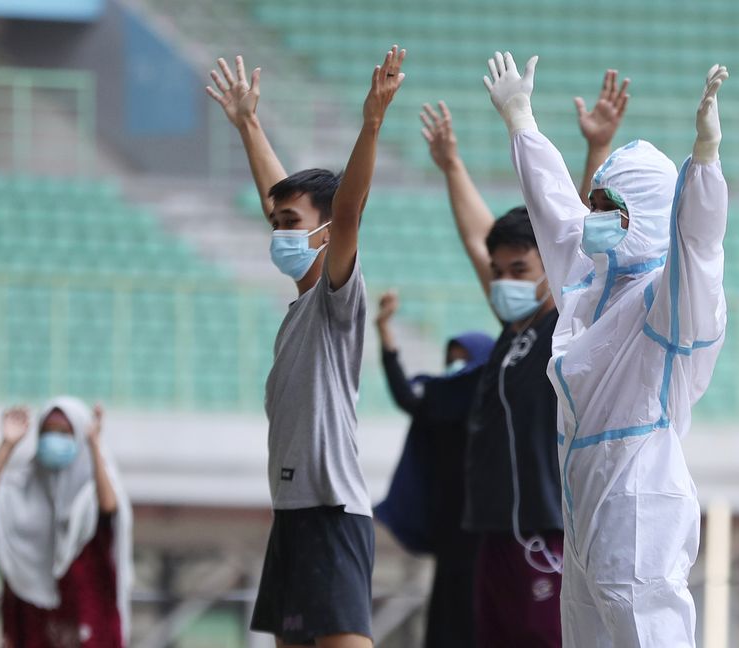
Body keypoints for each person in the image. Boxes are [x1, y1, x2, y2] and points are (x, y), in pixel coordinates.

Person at [482, 51, 730, 647]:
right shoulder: (590, 283)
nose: (589, 215)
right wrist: (521, 120)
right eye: (594, 201)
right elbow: (552, 209)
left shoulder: (669, 299)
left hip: (640, 502)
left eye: (606, 206)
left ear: (643, 216)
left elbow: (697, 242)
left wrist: (704, 160)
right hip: (586, 501)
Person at [207, 46, 406, 647]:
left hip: (330, 514)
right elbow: (283, 198)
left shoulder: (334, 299)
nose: (280, 233)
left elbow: (344, 213)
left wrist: (371, 124)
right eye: (276, 225)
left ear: (325, 232)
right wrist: (249, 124)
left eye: (291, 225)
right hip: (292, 515)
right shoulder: (298, 307)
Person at [418, 82, 625, 646]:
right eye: (499, 270)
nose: (505, 281)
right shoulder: (514, 329)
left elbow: (577, 234)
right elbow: (474, 236)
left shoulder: (565, 321)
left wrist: (597, 150)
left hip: (545, 532)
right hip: (493, 531)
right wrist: (453, 165)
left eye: (519, 268)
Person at [372, 290, 495, 648]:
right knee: (446, 613)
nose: (457, 368)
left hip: (486, 526)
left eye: (465, 360)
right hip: (449, 526)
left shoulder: (493, 407)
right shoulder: (438, 403)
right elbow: (404, 394)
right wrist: (385, 332)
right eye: (451, 360)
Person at [0, 397, 133, 648]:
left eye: (64, 432)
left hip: (87, 622)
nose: (54, 439)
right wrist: (7, 445)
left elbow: (109, 508)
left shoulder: (93, 492)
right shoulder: (24, 487)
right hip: (32, 622)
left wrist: (94, 445)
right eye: (47, 432)